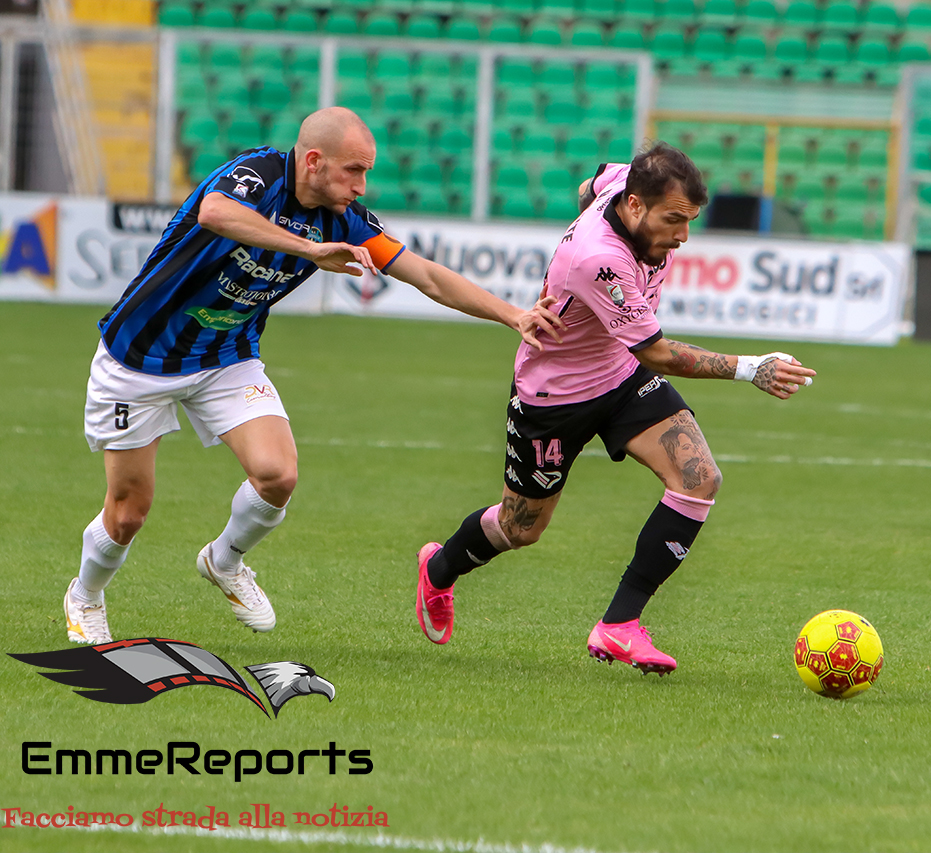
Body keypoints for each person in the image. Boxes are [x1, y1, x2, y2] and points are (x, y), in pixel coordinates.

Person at [65, 107, 564, 645]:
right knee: (128, 514)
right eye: (354, 170)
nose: (362, 184)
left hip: (226, 358)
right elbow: (214, 212)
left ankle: (224, 560)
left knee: (278, 475)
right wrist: (308, 250)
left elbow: (427, 276)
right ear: (313, 161)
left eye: (367, 172)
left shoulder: (347, 219)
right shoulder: (258, 175)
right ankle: (86, 594)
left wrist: (512, 314)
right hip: (138, 359)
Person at [414, 143, 817, 674]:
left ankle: (620, 626)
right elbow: (659, 353)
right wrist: (751, 367)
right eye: (674, 220)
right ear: (633, 207)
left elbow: (592, 183)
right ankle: (439, 569)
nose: (683, 236)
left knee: (698, 477)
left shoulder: (625, 181)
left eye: (690, 220)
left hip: (622, 378)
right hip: (553, 397)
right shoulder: (600, 260)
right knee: (519, 529)